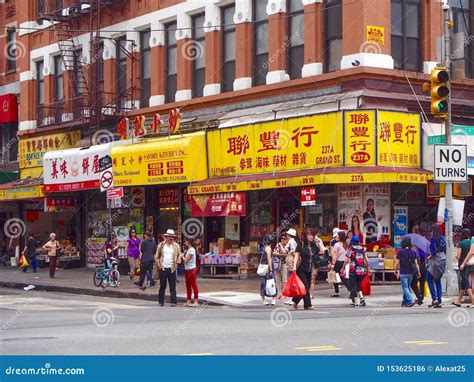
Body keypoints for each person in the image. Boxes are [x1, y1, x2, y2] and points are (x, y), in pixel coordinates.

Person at [292, 229, 317, 310]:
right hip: (301, 268)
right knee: (305, 287)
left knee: (306, 287)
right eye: (309, 235)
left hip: (309, 269)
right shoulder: (301, 244)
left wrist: (319, 244)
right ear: (305, 236)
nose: (311, 237)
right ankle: (307, 305)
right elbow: (296, 255)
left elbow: (322, 252)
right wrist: (294, 266)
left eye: (312, 235)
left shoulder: (313, 245)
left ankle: (295, 300)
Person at [155, 229, 181, 307]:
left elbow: (179, 255)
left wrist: (177, 263)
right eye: (169, 236)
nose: (171, 238)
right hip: (163, 268)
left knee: (172, 286)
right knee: (162, 286)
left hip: (172, 268)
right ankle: (161, 301)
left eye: (172, 237)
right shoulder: (161, 245)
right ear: (166, 237)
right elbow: (157, 256)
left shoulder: (176, 246)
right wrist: (159, 264)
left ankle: (173, 301)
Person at [343, 236, 370, 307]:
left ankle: (356, 302)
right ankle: (362, 299)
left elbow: (346, 260)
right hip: (361, 271)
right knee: (359, 286)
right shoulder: (362, 249)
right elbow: (366, 260)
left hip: (353, 271)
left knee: (353, 286)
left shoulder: (351, 249)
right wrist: (367, 268)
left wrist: (342, 268)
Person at [395, 237, 420, 307]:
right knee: (407, 287)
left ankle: (410, 300)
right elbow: (416, 263)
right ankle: (404, 301)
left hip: (403, 273)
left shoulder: (400, 252)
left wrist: (396, 271)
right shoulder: (413, 252)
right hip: (411, 273)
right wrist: (418, 272)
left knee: (405, 287)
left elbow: (397, 263)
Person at [427, 224, 446, 308]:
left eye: (431, 231)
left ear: (433, 231)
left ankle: (434, 298)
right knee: (438, 280)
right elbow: (445, 250)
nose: (430, 233)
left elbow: (434, 252)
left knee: (429, 278)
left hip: (436, 260)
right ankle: (439, 300)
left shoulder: (433, 239)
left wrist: (429, 257)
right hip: (443, 259)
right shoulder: (443, 238)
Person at [453, 228, 473, 307]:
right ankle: (458, 301)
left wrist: (455, 256)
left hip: (462, 264)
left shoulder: (460, 244)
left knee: (465, 282)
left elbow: (458, 256)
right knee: (463, 283)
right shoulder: (471, 243)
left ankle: (472, 299)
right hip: (470, 263)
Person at [330, 230, 350, 297]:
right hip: (346, 262)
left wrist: (333, 263)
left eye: (337, 235)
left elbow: (335, 255)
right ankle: (350, 291)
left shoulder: (337, 244)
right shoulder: (346, 244)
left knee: (335, 276)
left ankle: (337, 292)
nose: (336, 236)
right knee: (344, 277)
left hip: (339, 262)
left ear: (340, 236)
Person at [182, 238, 199, 306]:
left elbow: (186, 260)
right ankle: (188, 301)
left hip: (191, 270)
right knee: (188, 286)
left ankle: (196, 301)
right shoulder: (188, 250)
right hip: (187, 269)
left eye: (186, 241)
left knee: (193, 285)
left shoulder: (191, 250)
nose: (185, 242)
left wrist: (182, 256)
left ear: (189, 242)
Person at [260, 235, 277, 306]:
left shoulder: (265, 248)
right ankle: (273, 299)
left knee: (263, 283)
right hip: (268, 267)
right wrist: (270, 269)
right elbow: (269, 259)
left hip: (264, 267)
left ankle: (264, 300)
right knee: (272, 283)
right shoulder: (268, 248)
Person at [273, 233, 289, 301]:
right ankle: (279, 293)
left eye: (284, 239)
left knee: (284, 280)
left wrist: (280, 247)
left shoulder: (287, 246)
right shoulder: (278, 245)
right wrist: (280, 254)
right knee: (277, 279)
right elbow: (274, 252)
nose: (282, 240)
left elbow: (284, 253)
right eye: (282, 238)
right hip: (277, 264)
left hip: (284, 264)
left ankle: (284, 294)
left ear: (287, 240)